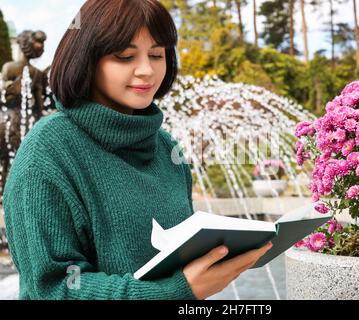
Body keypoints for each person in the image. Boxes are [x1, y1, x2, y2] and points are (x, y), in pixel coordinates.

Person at [2, 0, 272, 300]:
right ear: (87, 59)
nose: (146, 70)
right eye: (125, 56)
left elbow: (175, 257)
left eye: (157, 54)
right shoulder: (47, 152)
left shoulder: (165, 146)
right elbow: (52, 289)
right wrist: (176, 291)